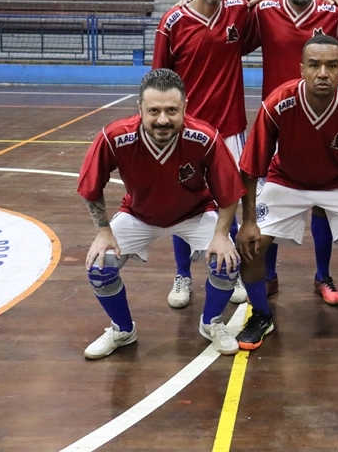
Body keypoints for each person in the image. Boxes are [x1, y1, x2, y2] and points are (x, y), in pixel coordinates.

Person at [236, 34, 338, 357]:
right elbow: (250, 166)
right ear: (302, 68)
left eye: (331, 65)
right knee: (251, 247)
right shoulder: (278, 103)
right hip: (287, 180)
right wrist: (247, 221)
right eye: (314, 65)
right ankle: (261, 315)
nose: (322, 73)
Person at [77, 69, 247, 359]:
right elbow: (90, 188)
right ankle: (122, 329)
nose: (163, 119)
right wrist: (104, 232)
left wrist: (220, 235)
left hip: (194, 213)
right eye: (153, 111)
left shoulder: (205, 137)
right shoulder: (115, 137)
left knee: (227, 261)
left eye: (172, 110)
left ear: (185, 107)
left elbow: (229, 193)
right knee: (98, 265)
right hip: (139, 214)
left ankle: (211, 323)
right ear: (140, 109)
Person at [245, 0, 338, 304]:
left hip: (325, 123)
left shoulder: (333, 12)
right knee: (271, 203)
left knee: (322, 203)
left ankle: (323, 276)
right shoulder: (263, 11)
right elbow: (221, 11)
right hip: (276, 123)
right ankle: (270, 275)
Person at [153, 0, 253, 310]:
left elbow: (287, 2)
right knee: (183, 204)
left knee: (230, 201)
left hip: (228, 130)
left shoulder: (240, 14)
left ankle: (233, 267)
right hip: (186, 133)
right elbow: (159, 81)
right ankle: (183, 274)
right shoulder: (172, 21)